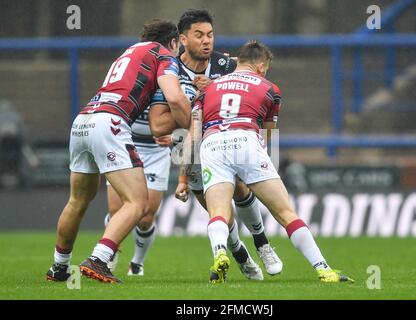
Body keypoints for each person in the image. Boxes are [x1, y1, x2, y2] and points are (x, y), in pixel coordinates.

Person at [190, 40, 354, 284]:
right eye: (265, 68)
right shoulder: (269, 88)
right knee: (285, 212)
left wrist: (185, 176)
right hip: (245, 139)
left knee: (219, 213)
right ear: (260, 65)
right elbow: (267, 133)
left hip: (211, 144)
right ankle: (324, 269)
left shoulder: (208, 89)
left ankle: (220, 253)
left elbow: (193, 133)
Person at [45, 20, 191, 284]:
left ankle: (59, 267)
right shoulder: (164, 54)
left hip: (83, 120)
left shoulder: (128, 52)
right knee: (137, 203)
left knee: (78, 200)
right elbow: (174, 97)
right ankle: (99, 258)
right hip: (110, 123)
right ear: (172, 42)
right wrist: (192, 119)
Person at [152, 9, 282, 280]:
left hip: (223, 138)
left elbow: (252, 87)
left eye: (210, 34)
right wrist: (186, 116)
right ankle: (240, 254)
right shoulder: (169, 71)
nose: (206, 41)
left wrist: (215, 88)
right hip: (190, 146)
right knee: (218, 211)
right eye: (198, 35)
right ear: (183, 40)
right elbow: (158, 124)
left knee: (242, 188)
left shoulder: (225, 65)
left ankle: (263, 243)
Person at [103, 21, 180, 277]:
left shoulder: (173, 72)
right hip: (127, 142)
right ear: (171, 43)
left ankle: (137, 262)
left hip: (156, 152)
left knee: (146, 215)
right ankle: (107, 256)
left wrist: (176, 134)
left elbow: (183, 111)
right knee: (118, 210)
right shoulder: (137, 66)